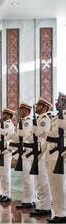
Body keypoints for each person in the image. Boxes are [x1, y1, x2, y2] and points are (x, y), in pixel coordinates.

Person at [28, 97, 52, 217]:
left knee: (43, 181)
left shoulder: (45, 119)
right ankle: (41, 205)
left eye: (38, 105)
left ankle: (46, 207)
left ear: (44, 107)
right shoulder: (39, 119)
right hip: (37, 153)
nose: (36, 107)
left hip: (42, 153)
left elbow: (44, 134)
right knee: (39, 181)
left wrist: (34, 129)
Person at [12, 102, 35, 209]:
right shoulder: (21, 122)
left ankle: (28, 201)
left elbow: (25, 135)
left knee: (27, 178)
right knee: (25, 177)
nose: (20, 111)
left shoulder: (27, 122)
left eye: (22, 110)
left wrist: (18, 133)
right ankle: (28, 199)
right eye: (20, 109)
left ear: (27, 111)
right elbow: (17, 137)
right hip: (23, 152)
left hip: (28, 152)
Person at [47, 93, 66, 223]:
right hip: (52, 154)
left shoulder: (63, 117)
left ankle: (62, 213)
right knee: (54, 185)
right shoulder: (56, 117)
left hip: (61, 154)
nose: (56, 103)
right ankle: (58, 212)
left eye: (58, 101)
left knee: (60, 186)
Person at [0, 108, 15, 203]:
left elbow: (7, 136)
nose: (2, 115)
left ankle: (7, 195)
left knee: (6, 174)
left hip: (6, 152)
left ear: (8, 115)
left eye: (4, 114)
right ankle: (3, 194)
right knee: (1, 175)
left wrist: (0, 134)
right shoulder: (1, 125)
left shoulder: (9, 124)